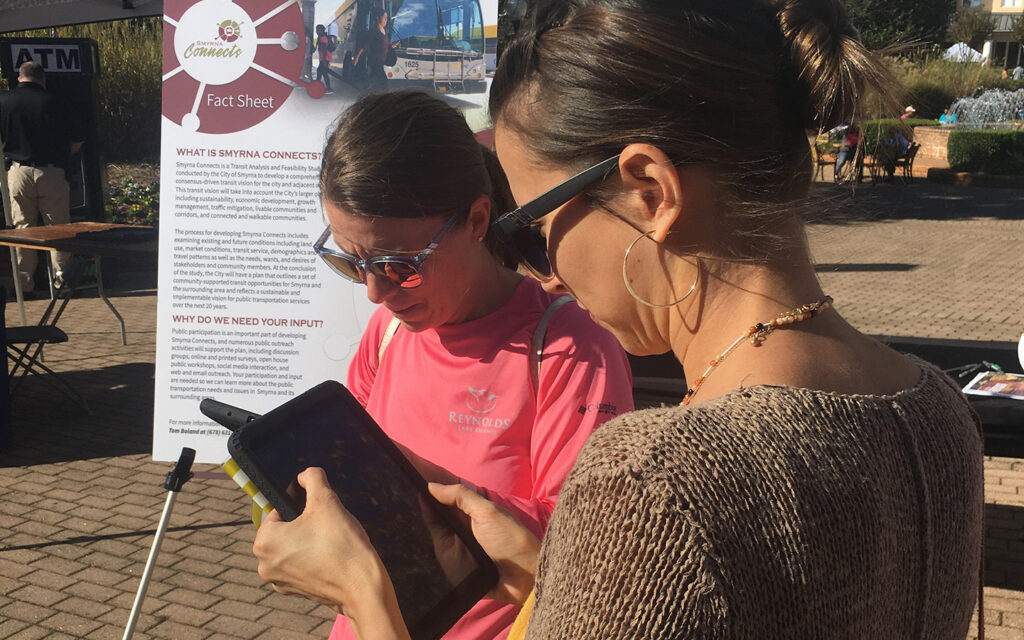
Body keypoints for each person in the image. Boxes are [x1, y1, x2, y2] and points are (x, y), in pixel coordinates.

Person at [253, 1, 984, 638]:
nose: (544, 259)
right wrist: (547, 568)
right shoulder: (938, 411)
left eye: (537, 217)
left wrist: (362, 592)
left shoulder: (650, 481)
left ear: (649, 191)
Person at [278, 89, 633, 640]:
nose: (374, 292)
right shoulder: (388, 331)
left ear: (476, 219)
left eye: (398, 264)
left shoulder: (569, 349)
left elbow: (588, 546)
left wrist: (420, 481)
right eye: (352, 263)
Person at [0, 61, 83, 297]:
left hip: (18, 171)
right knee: (58, 229)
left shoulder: (4, 101)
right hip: (51, 171)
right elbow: (77, 139)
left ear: (19, 78)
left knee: (23, 229)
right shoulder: (56, 102)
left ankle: (24, 286)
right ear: (42, 78)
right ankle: (62, 283)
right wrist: (63, 155)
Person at [351, 8, 397, 94]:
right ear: (377, 18)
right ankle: (381, 96)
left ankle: (366, 93)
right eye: (384, 17)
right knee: (383, 82)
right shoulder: (373, 31)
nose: (386, 20)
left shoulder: (384, 31)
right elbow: (364, 45)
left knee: (374, 79)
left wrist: (392, 45)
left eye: (386, 18)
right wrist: (356, 58)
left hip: (381, 60)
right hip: (374, 60)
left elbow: (385, 44)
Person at [314, 24, 334, 93]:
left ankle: (328, 88)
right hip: (324, 59)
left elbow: (324, 49)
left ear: (323, 30)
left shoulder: (323, 38)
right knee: (320, 71)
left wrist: (324, 61)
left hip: (325, 58)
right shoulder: (320, 37)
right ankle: (317, 86)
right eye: (317, 30)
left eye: (319, 30)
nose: (317, 31)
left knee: (323, 72)